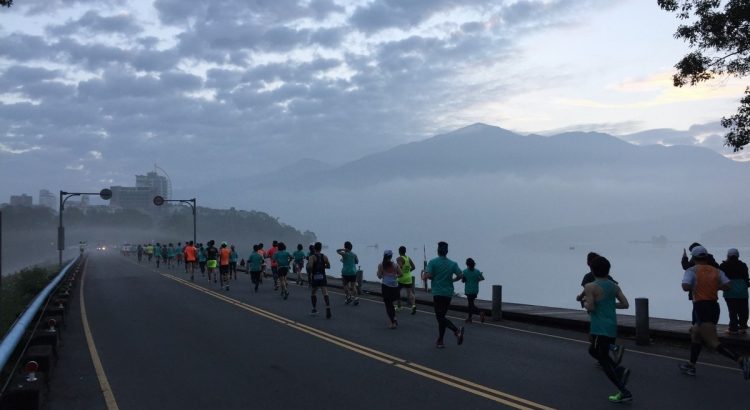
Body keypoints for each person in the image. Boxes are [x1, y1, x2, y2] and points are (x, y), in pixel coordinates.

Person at [678, 246, 750, 379]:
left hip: (701, 307)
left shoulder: (691, 270)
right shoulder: (716, 271)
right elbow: (728, 286)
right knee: (695, 333)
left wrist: (696, 286)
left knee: (713, 342)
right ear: (706, 257)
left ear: (693, 258)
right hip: (713, 307)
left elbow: (685, 286)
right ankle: (691, 365)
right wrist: (715, 286)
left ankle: (741, 360)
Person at [583, 256, 632, 403]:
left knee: (603, 359)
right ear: (608, 270)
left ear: (592, 270)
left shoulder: (590, 286)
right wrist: (609, 304)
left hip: (599, 328)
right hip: (611, 327)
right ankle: (618, 369)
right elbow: (625, 304)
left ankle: (624, 391)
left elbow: (591, 307)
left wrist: (585, 303)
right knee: (593, 351)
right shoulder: (614, 286)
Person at [576, 252, 624, 366]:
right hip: (609, 315)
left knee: (595, 338)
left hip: (596, 312)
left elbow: (586, 291)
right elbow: (615, 287)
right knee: (604, 337)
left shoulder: (588, 277)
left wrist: (582, 299)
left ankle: (608, 358)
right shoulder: (609, 279)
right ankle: (607, 356)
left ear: (589, 264)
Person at [424, 241, 464, 348]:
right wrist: (453, 280)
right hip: (448, 293)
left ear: (438, 251)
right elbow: (461, 275)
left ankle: (456, 330)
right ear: (447, 251)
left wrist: (429, 276)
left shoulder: (433, 262)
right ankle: (440, 341)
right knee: (442, 317)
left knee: (440, 317)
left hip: (438, 292)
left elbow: (428, 275)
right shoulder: (453, 264)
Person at [720, 248, 749, 335]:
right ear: (738, 256)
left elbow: (721, 278)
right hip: (742, 292)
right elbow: (746, 278)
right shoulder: (743, 265)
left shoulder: (724, 265)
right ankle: (743, 327)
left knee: (732, 310)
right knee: (743, 310)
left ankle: (733, 328)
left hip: (730, 291)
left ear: (728, 256)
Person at [377, 250, 403, 329]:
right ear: (391, 256)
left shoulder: (381, 265)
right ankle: (394, 318)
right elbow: (401, 274)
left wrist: (380, 273)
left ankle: (393, 322)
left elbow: (379, 276)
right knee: (391, 304)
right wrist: (395, 276)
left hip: (386, 286)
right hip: (394, 287)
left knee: (388, 305)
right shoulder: (395, 265)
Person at [307, 242, 332, 318]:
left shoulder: (312, 257)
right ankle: (328, 307)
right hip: (322, 276)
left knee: (313, 293)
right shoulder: (324, 256)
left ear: (314, 248)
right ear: (320, 248)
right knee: (325, 292)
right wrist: (323, 266)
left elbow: (310, 267)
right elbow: (328, 266)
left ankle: (314, 309)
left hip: (315, 276)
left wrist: (310, 271)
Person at [462, 258, 485, 323]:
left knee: (470, 305)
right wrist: (477, 279)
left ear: (467, 264)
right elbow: (482, 278)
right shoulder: (477, 271)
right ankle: (469, 318)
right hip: (475, 290)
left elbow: (463, 281)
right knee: (470, 304)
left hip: (468, 290)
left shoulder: (465, 271)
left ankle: (480, 312)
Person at [396, 246, 417, 314]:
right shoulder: (408, 258)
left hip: (401, 278)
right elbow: (413, 267)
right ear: (405, 251)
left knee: (397, 292)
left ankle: (399, 306)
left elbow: (400, 267)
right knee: (410, 293)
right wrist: (407, 271)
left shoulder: (399, 258)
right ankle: (413, 306)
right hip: (408, 278)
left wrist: (396, 274)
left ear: (399, 251)